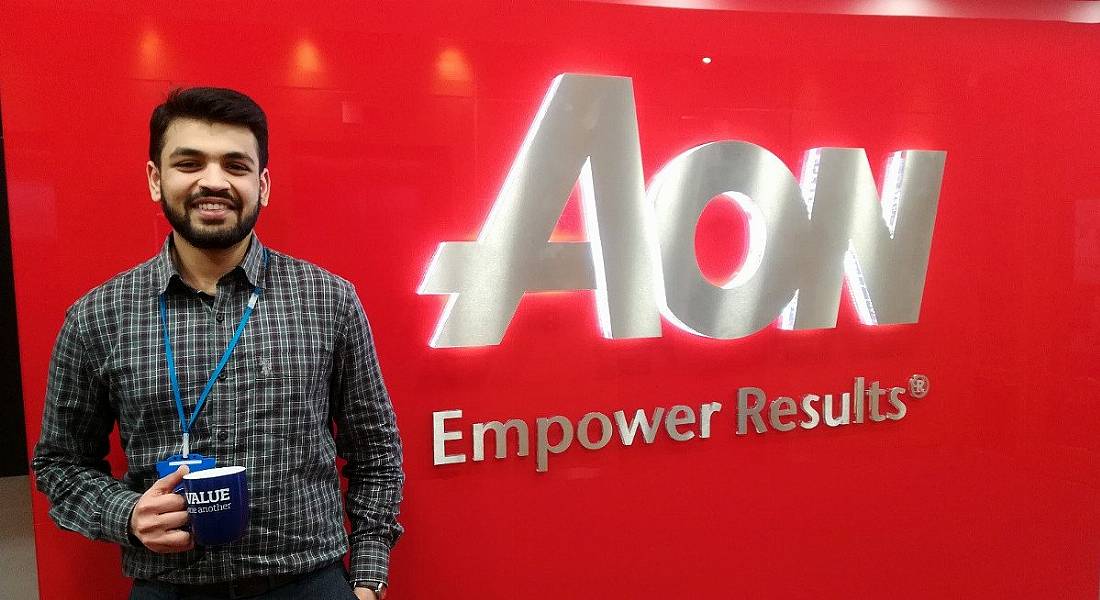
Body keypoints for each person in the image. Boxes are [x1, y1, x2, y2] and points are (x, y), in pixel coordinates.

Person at [32, 87, 403, 599]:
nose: (214, 181)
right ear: (155, 179)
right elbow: (59, 465)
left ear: (263, 185)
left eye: (235, 165)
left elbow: (376, 450)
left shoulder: (328, 298)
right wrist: (126, 514)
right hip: (170, 587)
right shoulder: (98, 315)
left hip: (310, 583)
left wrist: (367, 579)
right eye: (189, 163)